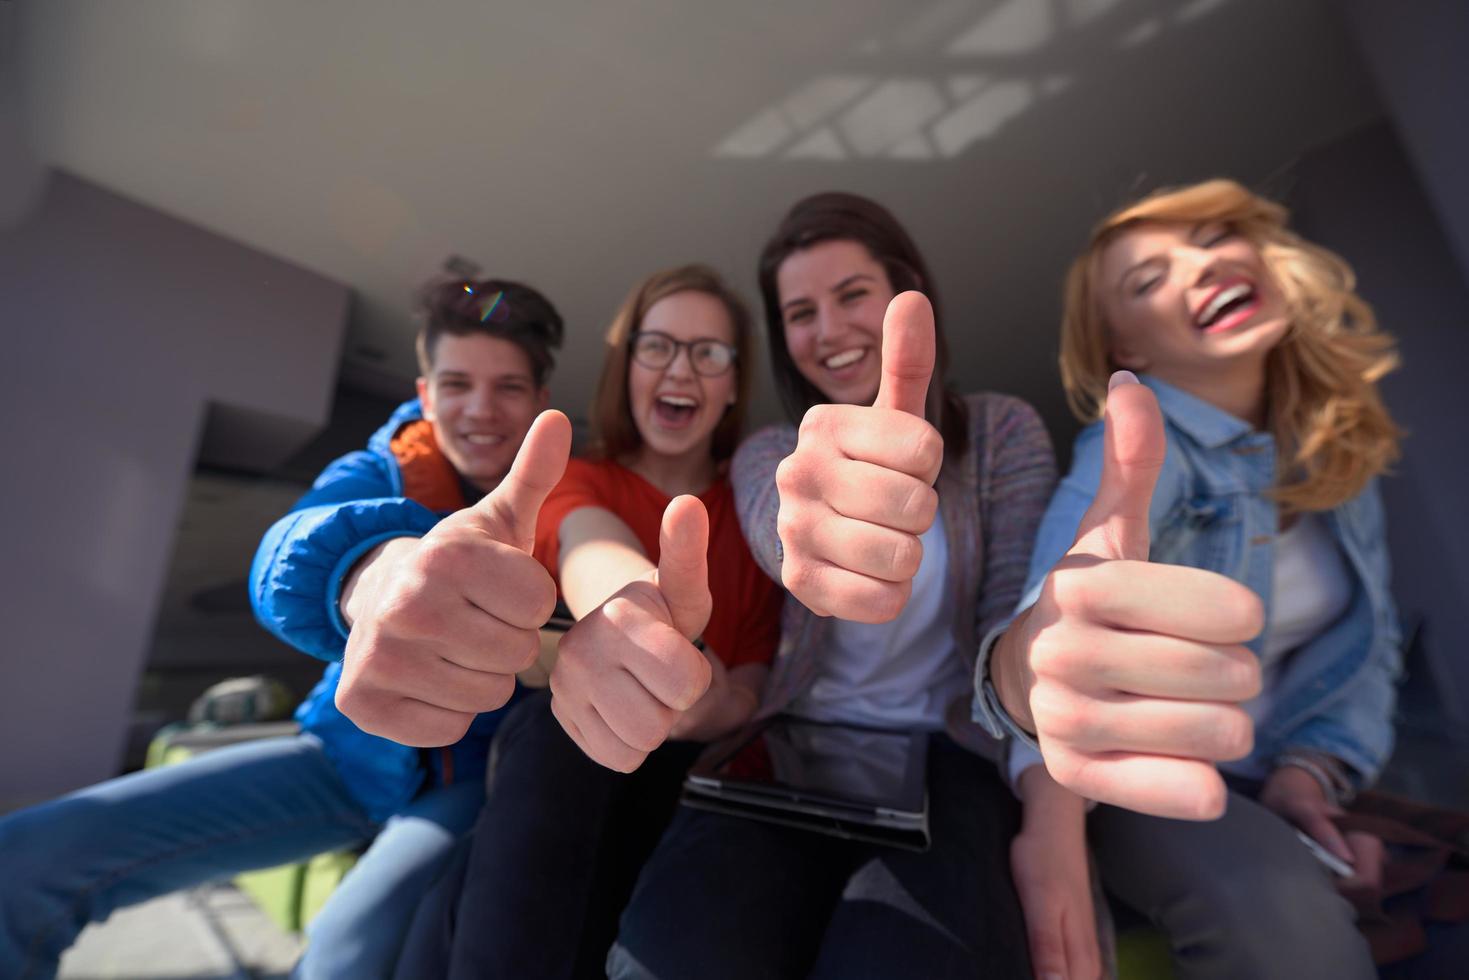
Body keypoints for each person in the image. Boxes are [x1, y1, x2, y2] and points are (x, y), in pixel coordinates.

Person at [0, 278, 571, 980]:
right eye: (457, 383)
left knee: (348, 945)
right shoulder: (374, 470)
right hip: (343, 757)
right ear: (424, 395)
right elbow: (289, 544)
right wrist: (373, 571)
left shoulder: (576, 498)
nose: (481, 409)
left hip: (478, 776)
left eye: (509, 387)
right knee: (26, 858)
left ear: (541, 400)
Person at [593, 193, 1057, 979]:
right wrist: (825, 528)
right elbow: (783, 524)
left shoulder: (1002, 431)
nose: (830, 330)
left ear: (906, 292)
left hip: (950, 758)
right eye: (800, 312)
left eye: (853, 296)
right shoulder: (769, 450)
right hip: (787, 750)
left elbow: (1007, 626)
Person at [1007, 178, 1405, 979]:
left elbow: (1373, 643)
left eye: (1216, 237)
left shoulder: (1331, 446)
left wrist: (1309, 773)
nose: (1202, 266)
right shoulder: (1125, 453)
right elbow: (1054, 631)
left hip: (1274, 771)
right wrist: (1047, 834)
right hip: (1144, 780)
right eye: (1147, 280)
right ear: (1127, 350)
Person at [395, 263, 782, 979]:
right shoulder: (580, 476)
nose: (681, 369)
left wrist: (712, 701)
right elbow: (588, 542)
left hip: (694, 777)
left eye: (709, 352)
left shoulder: (758, 517)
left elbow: (752, 680)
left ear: (733, 383)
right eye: (656, 345)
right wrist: (633, 613)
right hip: (570, 765)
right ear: (626, 366)